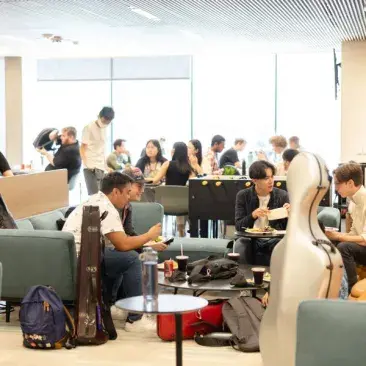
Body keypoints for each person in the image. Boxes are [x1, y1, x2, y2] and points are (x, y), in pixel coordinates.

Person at [62, 172, 163, 323]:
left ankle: (115, 304)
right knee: (131, 259)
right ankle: (136, 319)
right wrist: (149, 235)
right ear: (116, 191)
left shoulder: (95, 200)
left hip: (77, 255)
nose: (128, 197)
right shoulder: (106, 208)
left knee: (122, 257)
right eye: (127, 192)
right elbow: (123, 244)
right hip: (82, 258)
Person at [235, 161, 290, 265]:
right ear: (254, 180)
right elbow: (239, 226)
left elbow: (289, 228)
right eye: (266, 178)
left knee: (281, 246)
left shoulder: (282, 195)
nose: (271, 181)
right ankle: (246, 278)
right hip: (250, 239)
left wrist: (290, 215)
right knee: (240, 245)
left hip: (274, 239)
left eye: (272, 177)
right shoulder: (243, 196)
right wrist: (253, 215)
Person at [325, 163, 366, 290]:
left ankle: (351, 289)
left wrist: (340, 236)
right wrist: (336, 235)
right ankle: (331, 283)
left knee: (344, 247)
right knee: (328, 241)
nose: (336, 188)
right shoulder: (353, 202)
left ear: (350, 183)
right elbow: (355, 232)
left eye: (337, 183)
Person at [149, 142, 194, 237]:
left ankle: (158, 234)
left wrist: (143, 178)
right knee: (183, 198)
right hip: (183, 205)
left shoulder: (167, 164)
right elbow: (193, 182)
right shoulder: (188, 167)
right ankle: (182, 232)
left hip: (166, 204)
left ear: (174, 151)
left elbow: (155, 180)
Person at [80, 107, 115, 195]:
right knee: (94, 195)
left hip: (100, 166)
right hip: (90, 166)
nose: (105, 124)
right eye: (104, 121)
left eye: (108, 122)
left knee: (102, 194)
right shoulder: (89, 127)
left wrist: (105, 166)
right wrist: (86, 163)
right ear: (99, 116)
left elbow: (102, 149)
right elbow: (82, 148)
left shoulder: (105, 129)